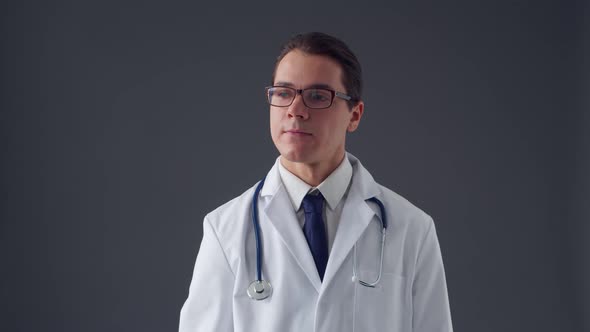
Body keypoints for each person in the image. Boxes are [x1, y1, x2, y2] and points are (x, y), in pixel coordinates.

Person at [179, 32, 453, 332]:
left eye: (318, 96)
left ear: (355, 115)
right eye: (283, 93)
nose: (296, 110)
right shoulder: (225, 230)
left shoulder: (412, 229)